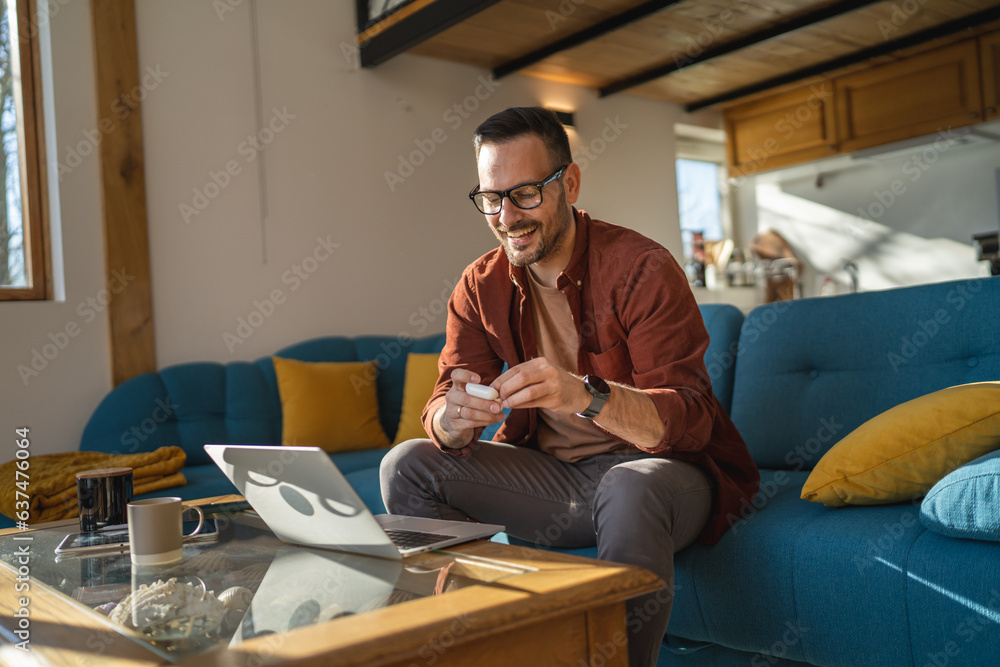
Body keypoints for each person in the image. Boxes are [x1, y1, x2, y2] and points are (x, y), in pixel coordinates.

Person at [380, 106, 759, 667]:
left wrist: (585, 395)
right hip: (557, 484)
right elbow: (442, 400)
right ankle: (482, 647)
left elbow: (690, 417)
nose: (507, 216)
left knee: (626, 486)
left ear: (570, 183)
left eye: (525, 193)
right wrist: (450, 420)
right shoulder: (480, 285)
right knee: (406, 464)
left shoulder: (640, 268)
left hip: (660, 475)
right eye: (492, 198)